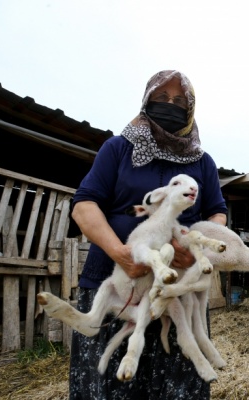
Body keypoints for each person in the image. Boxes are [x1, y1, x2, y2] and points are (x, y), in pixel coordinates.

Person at [69, 70, 228, 399]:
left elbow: (218, 213)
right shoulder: (118, 149)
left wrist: (197, 251)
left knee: (179, 386)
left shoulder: (203, 162)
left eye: (179, 100)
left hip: (176, 289)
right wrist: (121, 254)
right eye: (161, 98)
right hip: (116, 285)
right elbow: (84, 206)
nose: (170, 104)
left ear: (190, 109)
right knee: (108, 386)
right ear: (146, 101)